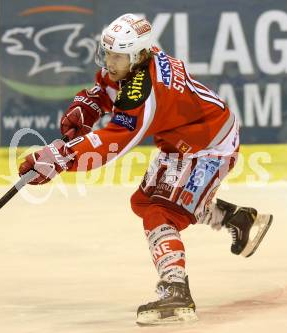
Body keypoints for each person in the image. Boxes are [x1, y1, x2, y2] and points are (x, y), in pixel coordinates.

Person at [18, 13, 273, 325]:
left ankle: (176, 288)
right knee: (143, 201)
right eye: (107, 53)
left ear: (137, 56)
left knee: (160, 212)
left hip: (209, 147)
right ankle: (236, 218)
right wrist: (94, 101)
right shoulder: (137, 63)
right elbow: (112, 86)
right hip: (184, 141)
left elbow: (113, 142)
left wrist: (61, 157)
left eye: (117, 56)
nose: (110, 63)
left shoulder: (145, 91)